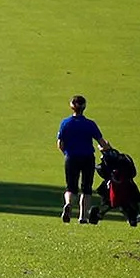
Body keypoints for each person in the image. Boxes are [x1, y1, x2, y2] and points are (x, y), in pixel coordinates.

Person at [57, 94, 113, 223]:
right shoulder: (90, 124)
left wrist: (66, 153)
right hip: (87, 157)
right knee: (86, 187)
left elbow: (60, 143)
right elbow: (101, 142)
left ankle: (69, 204)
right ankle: (82, 216)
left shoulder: (65, 123)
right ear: (84, 107)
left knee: (71, 187)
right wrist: (106, 150)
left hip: (71, 157)